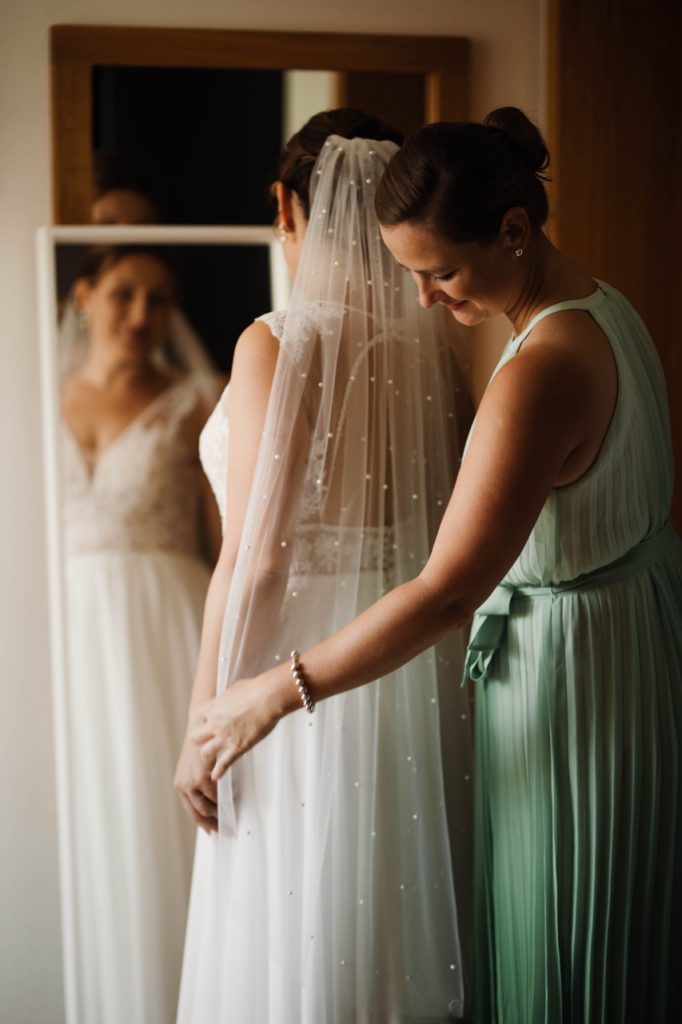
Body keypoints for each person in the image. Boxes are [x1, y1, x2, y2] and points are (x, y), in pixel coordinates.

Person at [191, 107, 682, 1022]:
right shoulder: (609, 313)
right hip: (633, 652)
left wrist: (273, 688)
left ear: (514, 229)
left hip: (574, 691)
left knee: (562, 959)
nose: (424, 301)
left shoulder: (537, 370)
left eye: (441, 271)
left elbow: (450, 587)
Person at [174, 109, 474, 1022]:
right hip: (403, 668)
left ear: (284, 204)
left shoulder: (275, 343)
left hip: (293, 674)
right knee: (387, 924)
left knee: (293, 920)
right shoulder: (439, 353)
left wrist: (206, 715)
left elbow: (256, 559)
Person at [61, 245, 221, 1023]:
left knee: (164, 824)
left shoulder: (198, 399)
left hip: (165, 623)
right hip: (66, 632)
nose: (139, 314)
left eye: (159, 300)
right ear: (83, 296)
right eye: (123, 293)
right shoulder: (35, 397)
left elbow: (231, 539)